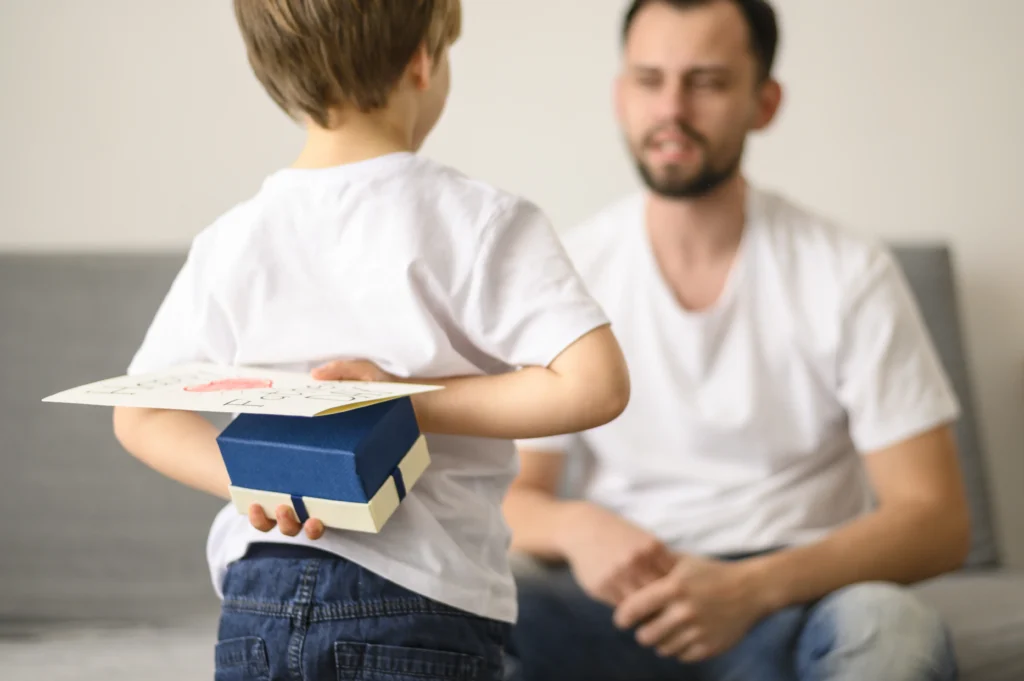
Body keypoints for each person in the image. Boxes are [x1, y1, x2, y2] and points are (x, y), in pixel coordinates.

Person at [112, 1, 631, 678]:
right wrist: (408, 403)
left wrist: (262, 489)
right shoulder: (483, 220)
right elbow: (595, 383)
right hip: (422, 596)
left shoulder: (234, 238)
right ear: (422, 59)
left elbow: (139, 412)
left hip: (257, 600)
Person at [503, 1, 971, 680]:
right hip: (619, 602)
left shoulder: (847, 270)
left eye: (708, 82)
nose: (672, 108)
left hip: (799, 601)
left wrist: (749, 589)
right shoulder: (567, 270)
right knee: (476, 602)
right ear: (620, 94)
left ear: (765, 102)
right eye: (649, 79)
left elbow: (936, 517)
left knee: (892, 625)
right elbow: (512, 496)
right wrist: (577, 528)